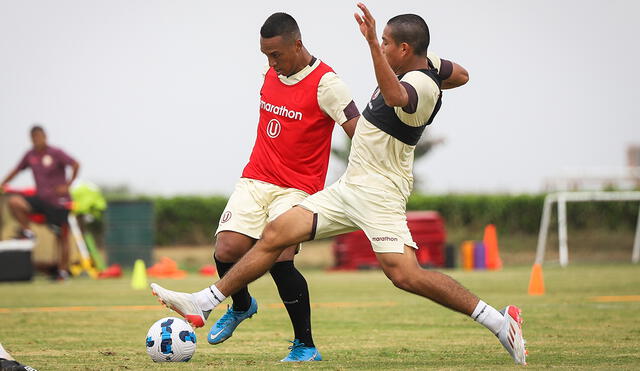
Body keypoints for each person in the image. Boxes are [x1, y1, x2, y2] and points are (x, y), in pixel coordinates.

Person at [151, 3, 527, 365]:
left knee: (406, 276)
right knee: (276, 233)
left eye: (385, 43)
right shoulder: (424, 68)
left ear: (403, 48)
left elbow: (399, 97)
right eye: (379, 42)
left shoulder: (421, 85)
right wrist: (434, 62)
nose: (380, 46)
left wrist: (370, 46)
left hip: (380, 193)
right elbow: (462, 73)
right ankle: (206, 300)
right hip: (351, 187)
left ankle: (498, 322)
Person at [204, 12, 361, 362]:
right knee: (226, 249)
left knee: (281, 257)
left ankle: (305, 345)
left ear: (297, 44)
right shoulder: (270, 73)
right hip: (255, 177)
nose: (271, 63)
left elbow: (360, 134)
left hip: (297, 188)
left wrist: (365, 175)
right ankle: (242, 306)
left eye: (276, 54)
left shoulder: (328, 84)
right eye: (265, 55)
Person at [1, 125, 80, 280]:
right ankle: (28, 232)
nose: (36, 140)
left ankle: (62, 271)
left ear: (45, 136)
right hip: (40, 199)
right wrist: (3, 183)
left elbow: (76, 164)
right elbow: (16, 170)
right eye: (33, 137)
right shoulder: (30, 155)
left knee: (62, 235)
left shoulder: (56, 153)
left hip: (58, 202)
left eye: (39, 136)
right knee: (15, 202)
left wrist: (68, 185)